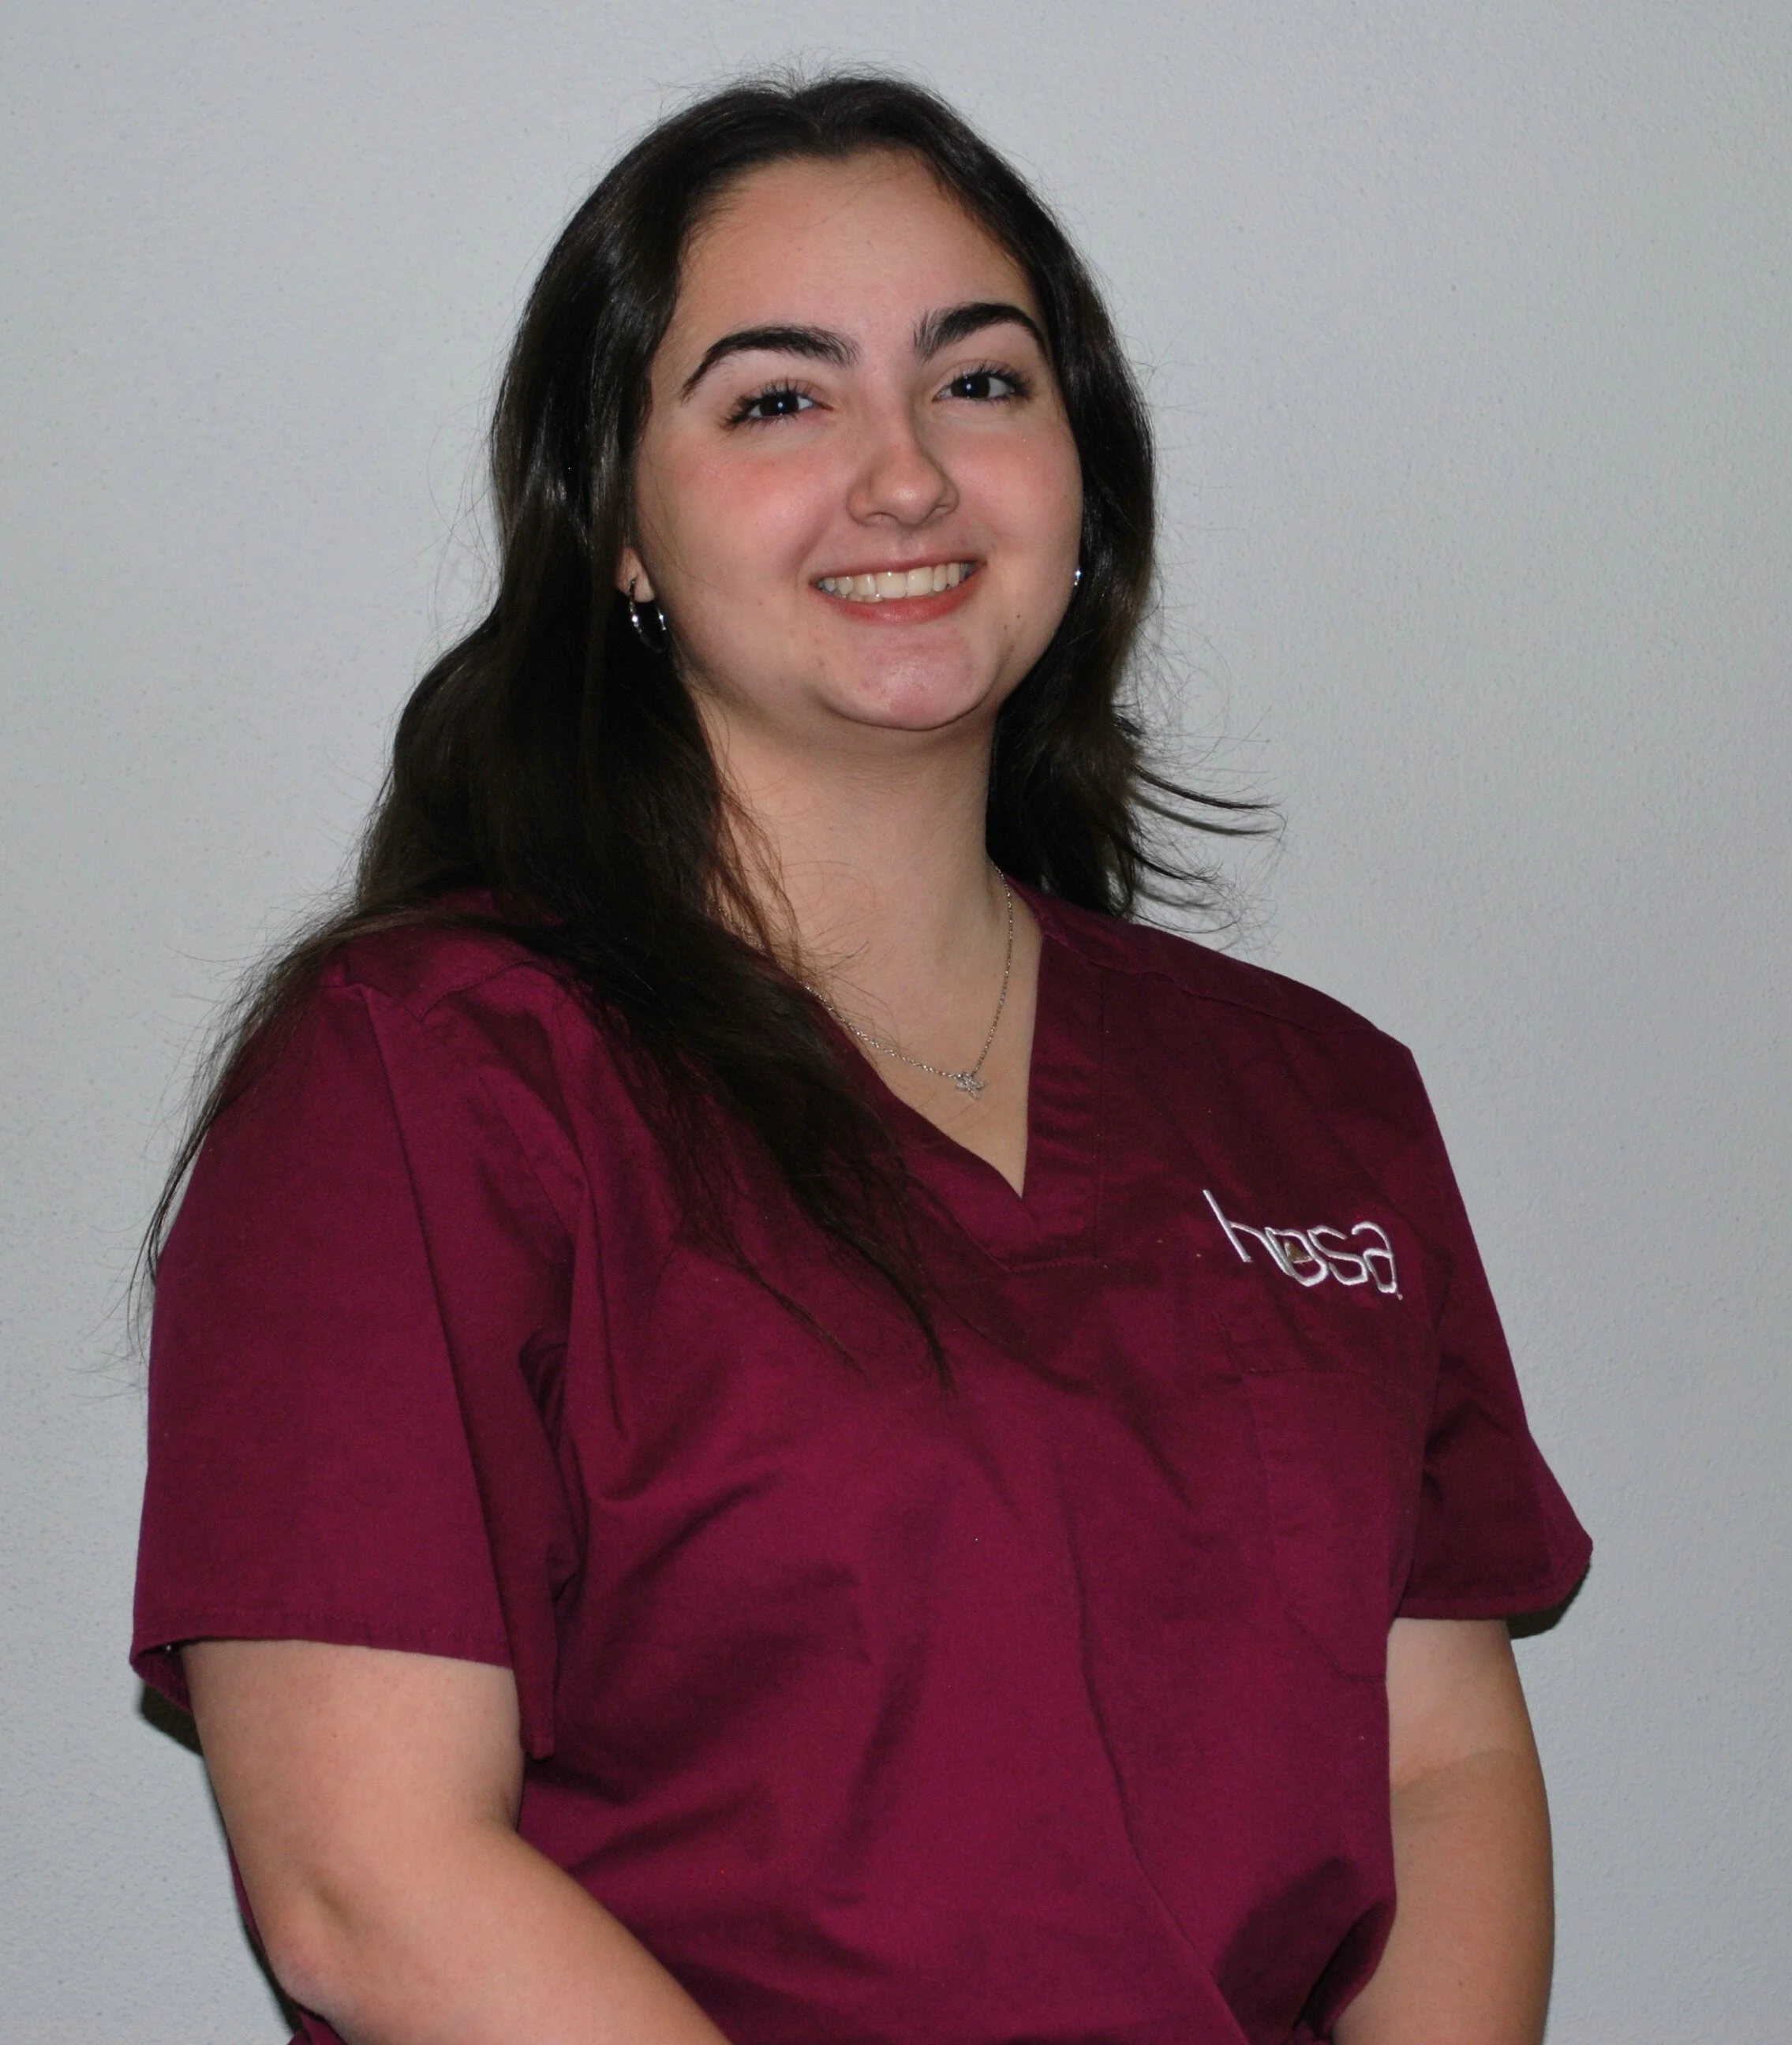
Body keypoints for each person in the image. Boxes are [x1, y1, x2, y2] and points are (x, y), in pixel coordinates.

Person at [132, 72, 1589, 2045]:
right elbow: (363, 1884)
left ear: (1085, 476)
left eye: (977, 382)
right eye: (776, 400)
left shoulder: (1314, 1100)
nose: (903, 479)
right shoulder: (419, 1083)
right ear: (616, 528)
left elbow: (1438, 1760)